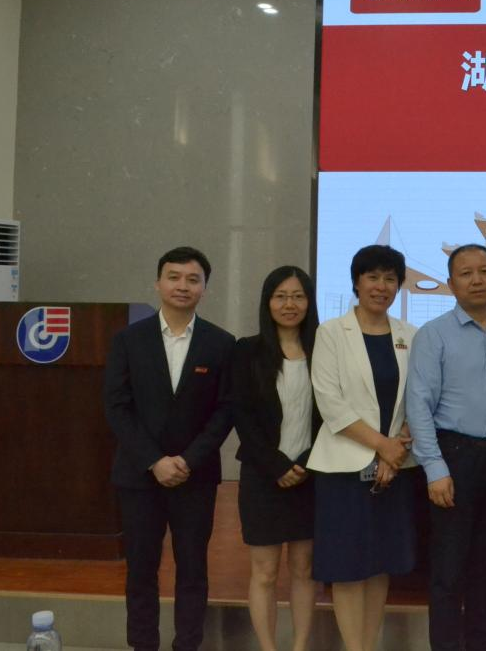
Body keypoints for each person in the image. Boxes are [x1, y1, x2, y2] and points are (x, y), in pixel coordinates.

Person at [103, 246, 235, 651]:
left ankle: (187, 644)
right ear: (158, 283)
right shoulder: (128, 340)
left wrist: (187, 461)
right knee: (141, 570)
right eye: (174, 277)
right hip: (139, 475)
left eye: (193, 279)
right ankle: (143, 644)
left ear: (205, 288)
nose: (183, 286)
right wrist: (154, 461)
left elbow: (225, 411)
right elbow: (117, 406)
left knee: (193, 570)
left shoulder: (221, 343)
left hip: (195, 477)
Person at [406, 244, 486, 651]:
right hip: (453, 457)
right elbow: (418, 405)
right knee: (448, 571)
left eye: (485, 271)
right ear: (451, 283)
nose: (477, 280)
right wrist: (434, 468)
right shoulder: (433, 334)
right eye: (466, 273)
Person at [306, 244, 417, 651]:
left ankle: (369, 645)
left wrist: (395, 450)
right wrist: (382, 447)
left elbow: (418, 400)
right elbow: (330, 402)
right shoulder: (331, 333)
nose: (381, 286)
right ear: (356, 282)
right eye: (372, 277)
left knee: (380, 564)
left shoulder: (410, 335)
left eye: (390, 278)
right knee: (348, 567)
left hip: (396, 468)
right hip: (342, 469)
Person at [231, 265, 322, 651]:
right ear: (267, 302)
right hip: (263, 476)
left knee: (304, 569)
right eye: (281, 296)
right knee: (265, 572)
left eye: (298, 296)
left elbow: (333, 415)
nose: (290, 304)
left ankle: (300, 646)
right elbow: (241, 414)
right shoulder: (247, 350)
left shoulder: (325, 350)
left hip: (312, 474)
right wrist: (276, 466)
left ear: (309, 302)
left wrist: (305, 463)